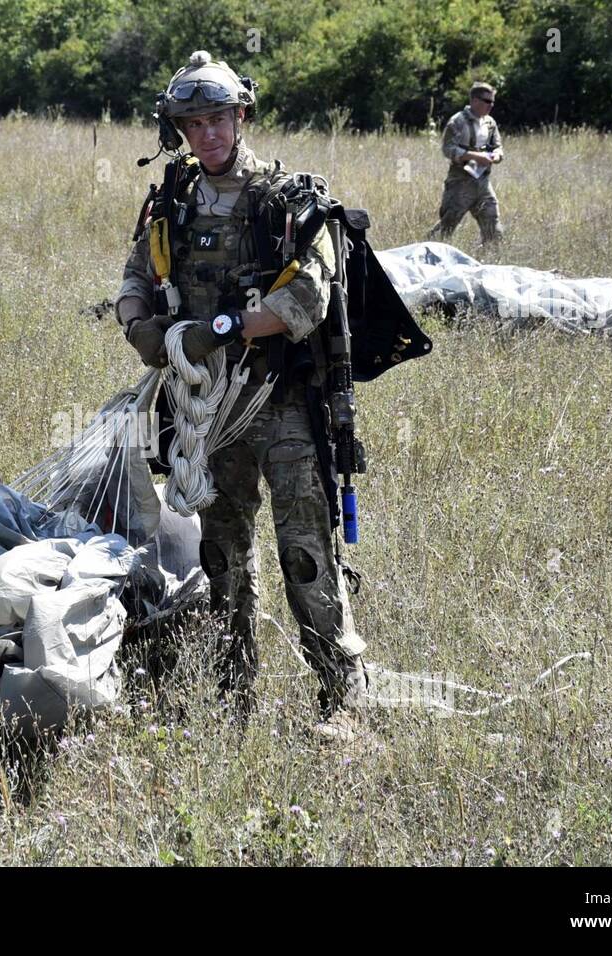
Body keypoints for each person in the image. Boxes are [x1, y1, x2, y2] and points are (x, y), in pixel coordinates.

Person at [115, 51, 368, 740]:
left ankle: (343, 698)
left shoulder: (283, 200)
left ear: (241, 116)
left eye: (218, 118)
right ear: (179, 131)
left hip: (282, 402)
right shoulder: (170, 201)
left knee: (305, 552)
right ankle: (234, 697)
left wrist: (218, 329)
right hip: (210, 414)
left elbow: (308, 297)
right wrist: (141, 326)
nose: (207, 134)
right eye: (193, 123)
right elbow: (137, 272)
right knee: (221, 557)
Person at [428, 82, 504, 245]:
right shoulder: (457, 121)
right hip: (459, 183)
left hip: (483, 183)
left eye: (492, 102)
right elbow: (448, 149)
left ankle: (488, 261)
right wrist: (475, 156)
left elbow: (498, 146)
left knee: (494, 228)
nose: (491, 106)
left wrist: (496, 156)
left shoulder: (490, 123)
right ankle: (425, 252)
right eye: (487, 101)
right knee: (446, 228)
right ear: (474, 100)